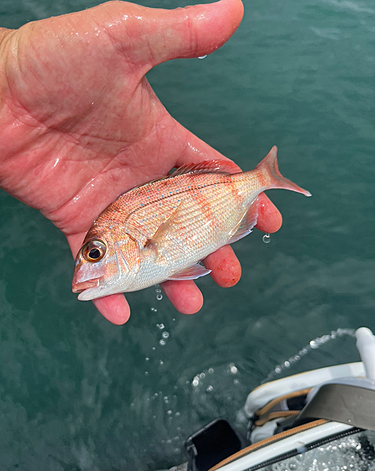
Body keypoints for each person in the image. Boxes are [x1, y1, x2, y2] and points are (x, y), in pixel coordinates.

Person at [0, 0, 282, 325]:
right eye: (94, 254)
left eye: (95, 253)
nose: (87, 267)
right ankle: (263, 177)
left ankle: (263, 177)